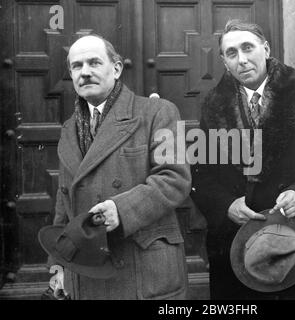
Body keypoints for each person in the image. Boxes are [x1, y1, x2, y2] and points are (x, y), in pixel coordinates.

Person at [191, 20, 295, 300]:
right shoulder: (213, 106)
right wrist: (225, 205)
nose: (241, 59)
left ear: (265, 49)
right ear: (223, 61)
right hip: (239, 245)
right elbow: (201, 174)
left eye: (247, 48)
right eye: (231, 53)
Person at [46, 34, 191, 300]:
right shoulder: (69, 129)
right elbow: (63, 200)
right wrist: (59, 262)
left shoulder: (157, 112)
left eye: (94, 63)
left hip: (143, 268)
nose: (85, 72)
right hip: (88, 270)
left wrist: (120, 210)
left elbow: (174, 178)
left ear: (116, 68)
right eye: (77, 66)